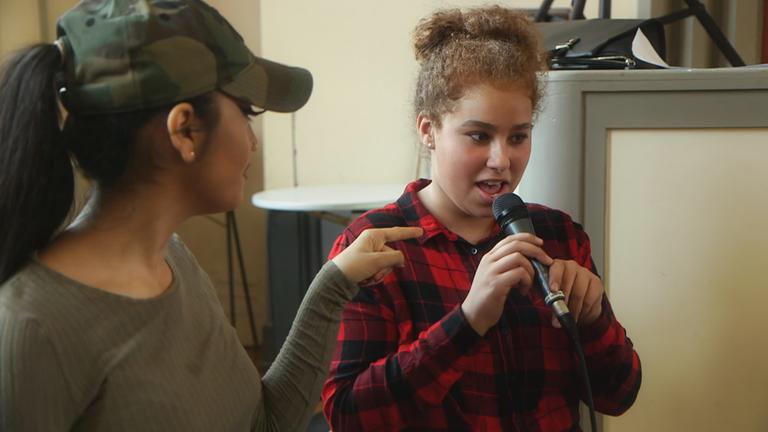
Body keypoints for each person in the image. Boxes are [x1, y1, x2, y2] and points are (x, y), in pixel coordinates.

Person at [0, 1, 422, 431]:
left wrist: (335, 283)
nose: (253, 142)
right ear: (185, 130)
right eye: (246, 111)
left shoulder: (173, 260)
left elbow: (264, 421)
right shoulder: (32, 328)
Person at [321, 6, 641, 431]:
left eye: (518, 137)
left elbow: (619, 395)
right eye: (479, 135)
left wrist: (593, 319)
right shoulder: (375, 246)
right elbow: (348, 417)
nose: (501, 160)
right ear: (428, 130)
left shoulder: (560, 236)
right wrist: (468, 321)